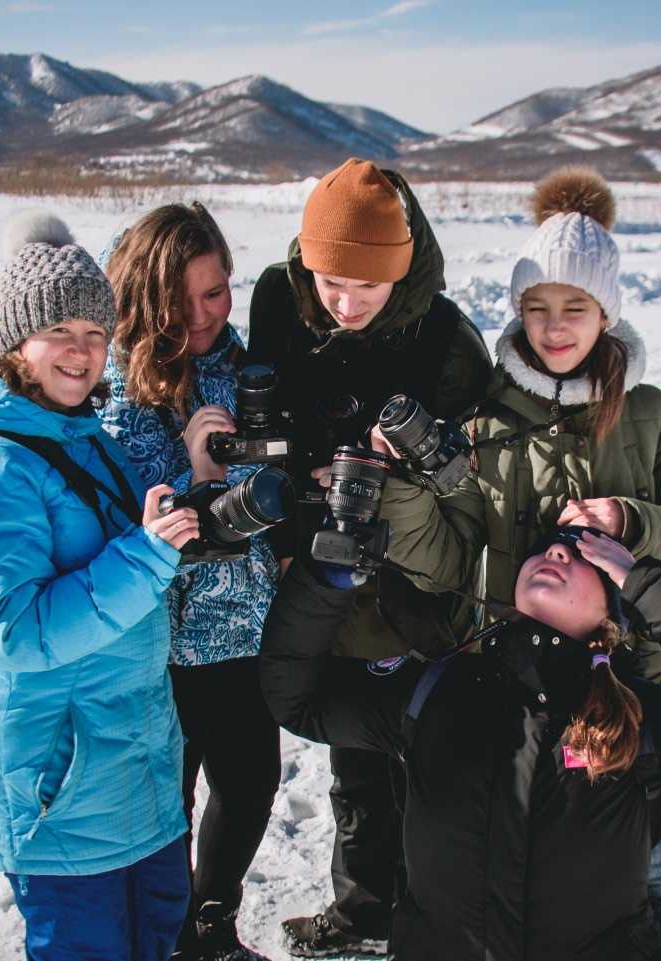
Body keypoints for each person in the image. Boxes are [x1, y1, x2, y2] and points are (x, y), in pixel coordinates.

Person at [374, 167, 661, 960]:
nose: (555, 327)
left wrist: (632, 521)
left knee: (653, 863)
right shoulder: (485, 415)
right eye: (537, 308)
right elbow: (443, 557)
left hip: (629, 681)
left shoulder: (649, 412)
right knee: (531, 859)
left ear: (608, 311)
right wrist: (401, 488)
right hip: (517, 681)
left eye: (575, 309)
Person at [260, 526, 661, 961]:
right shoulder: (434, 691)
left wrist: (644, 580)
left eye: (582, 556)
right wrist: (322, 578)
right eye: (544, 551)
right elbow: (297, 699)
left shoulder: (646, 721)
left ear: (613, 608)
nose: (555, 555)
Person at [0, 211, 198, 961]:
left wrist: (193, 491)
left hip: (131, 764)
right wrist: (145, 558)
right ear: (18, 342)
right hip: (61, 787)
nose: (83, 353)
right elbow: (15, 630)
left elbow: (125, 534)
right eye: (61, 333)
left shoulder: (80, 431)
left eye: (95, 334)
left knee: (159, 939)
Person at [245, 157, 493, 957]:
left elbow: (475, 481)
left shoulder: (448, 341)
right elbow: (265, 419)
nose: (345, 305)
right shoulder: (279, 304)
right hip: (323, 575)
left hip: (415, 586)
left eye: (367, 288)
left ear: (401, 271)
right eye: (330, 284)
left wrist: (410, 466)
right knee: (355, 769)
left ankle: (436, 923)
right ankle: (360, 917)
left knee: (429, 765)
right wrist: (304, 478)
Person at [100, 202, 281, 961]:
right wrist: (194, 468)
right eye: (192, 296)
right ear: (153, 294)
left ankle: (211, 924)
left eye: (220, 290)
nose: (210, 312)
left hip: (241, 622)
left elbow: (270, 477)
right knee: (163, 806)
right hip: (157, 638)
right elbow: (117, 504)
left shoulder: (244, 365)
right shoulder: (115, 376)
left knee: (249, 785)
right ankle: (169, 936)